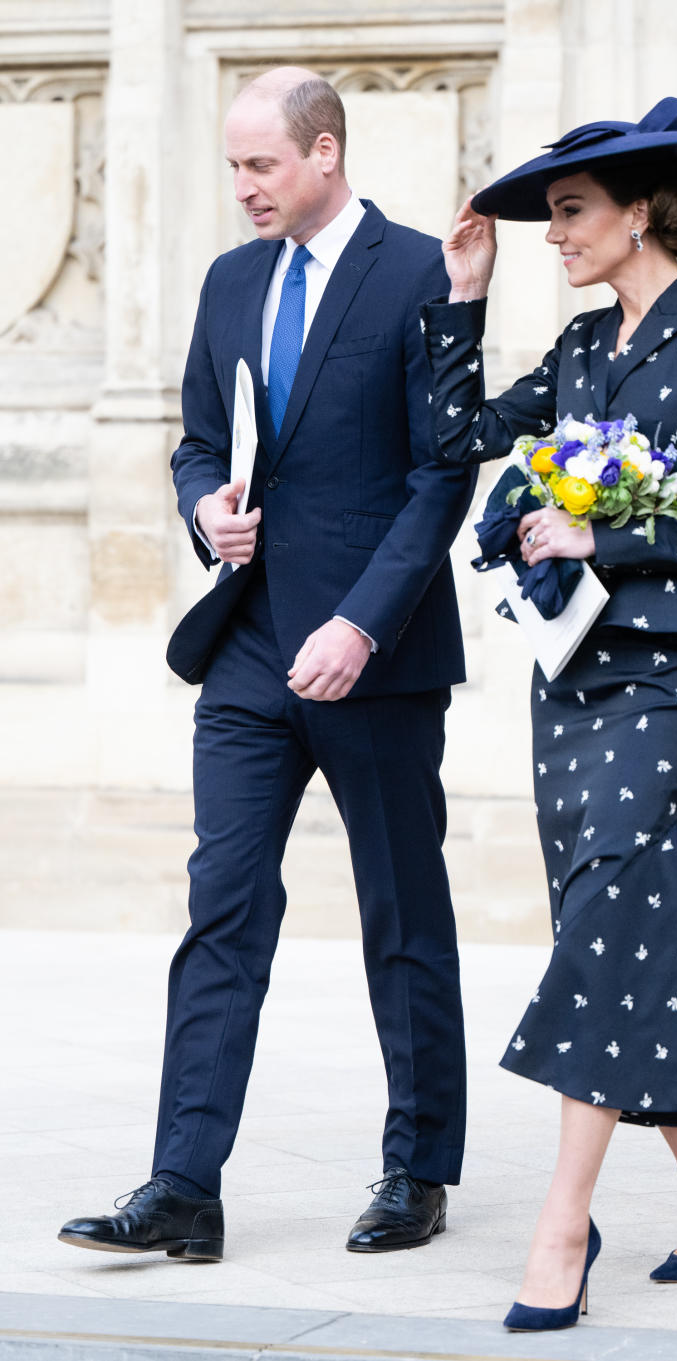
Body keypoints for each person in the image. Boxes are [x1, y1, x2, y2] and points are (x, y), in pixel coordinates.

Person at [58, 67, 475, 1262]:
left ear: (326, 152)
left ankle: (419, 1166)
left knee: (403, 916)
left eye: (261, 166)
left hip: (373, 656)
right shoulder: (231, 280)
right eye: (234, 168)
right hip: (245, 650)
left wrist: (363, 623)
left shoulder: (418, 273)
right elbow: (196, 439)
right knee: (221, 908)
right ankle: (185, 1182)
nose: (242, 187)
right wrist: (209, 509)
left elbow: (441, 474)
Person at [422, 97, 677, 1330]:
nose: (552, 233)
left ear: (641, 210)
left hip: (668, 669)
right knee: (630, 921)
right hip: (569, 674)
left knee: (605, 907)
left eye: (569, 212)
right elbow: (458, 435)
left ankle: (562, 1220)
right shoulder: (580, 351)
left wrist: (604, 528)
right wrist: (462, 294)